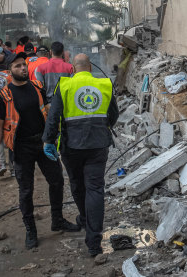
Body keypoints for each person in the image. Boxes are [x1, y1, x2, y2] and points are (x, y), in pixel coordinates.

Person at [0, 52, 79, 249]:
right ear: (9, 71)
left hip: (43, 144)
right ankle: (31, 230)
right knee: (26, 190)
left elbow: (48, 110)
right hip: (20, 148)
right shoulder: (4, 95)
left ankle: (57, 220)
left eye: (24, 65)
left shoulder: (37, 87)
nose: (22, 68)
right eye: (18, 66)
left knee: (56, 180)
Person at [43, 53, 119, 256]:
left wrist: (48, 140)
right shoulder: (104, 84)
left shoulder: (65, 85)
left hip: (71, 147)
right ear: (90, 68)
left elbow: (54, 116)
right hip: (98, 145)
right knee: (95, 189)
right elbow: (113, 114)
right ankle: (93, 243)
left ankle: (86, 220)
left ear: (73, 68)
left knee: (77, 184)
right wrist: (103, 126)